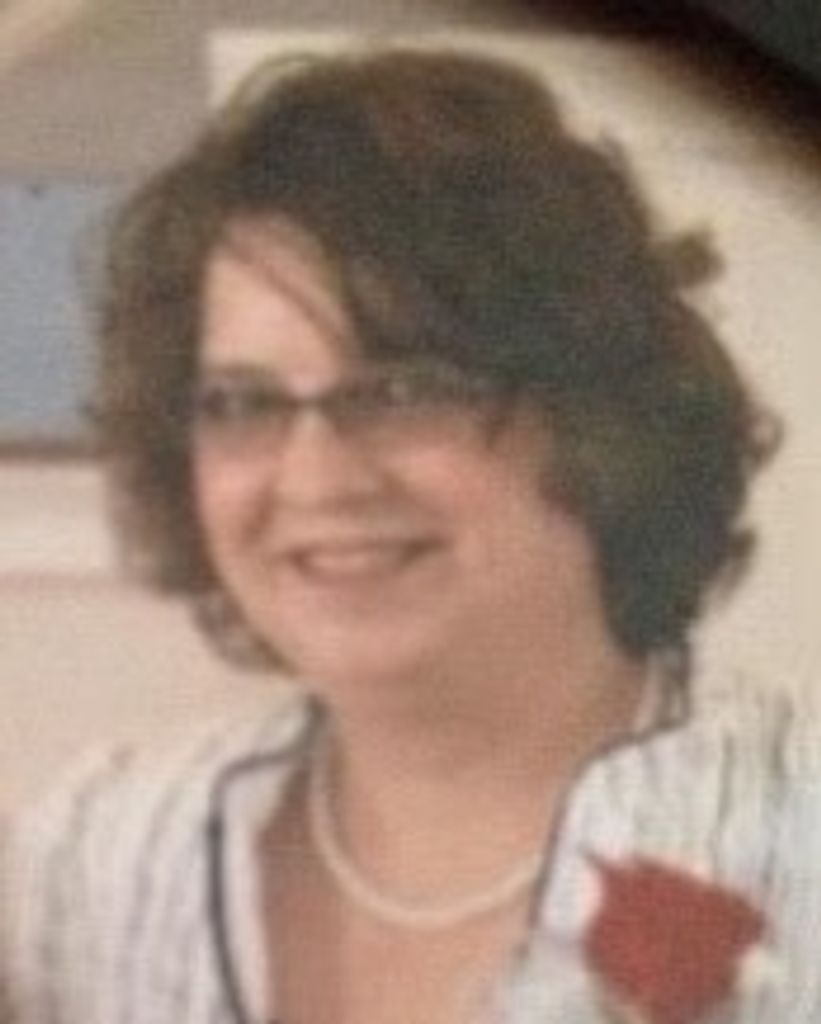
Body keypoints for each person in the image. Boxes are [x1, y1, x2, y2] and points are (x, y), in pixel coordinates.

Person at [3, 45, 820, 1024]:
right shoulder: (98, 853)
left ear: (596, 416)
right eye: (243, 403)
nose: (316, 478)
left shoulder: (795, 837)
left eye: (401, 390)